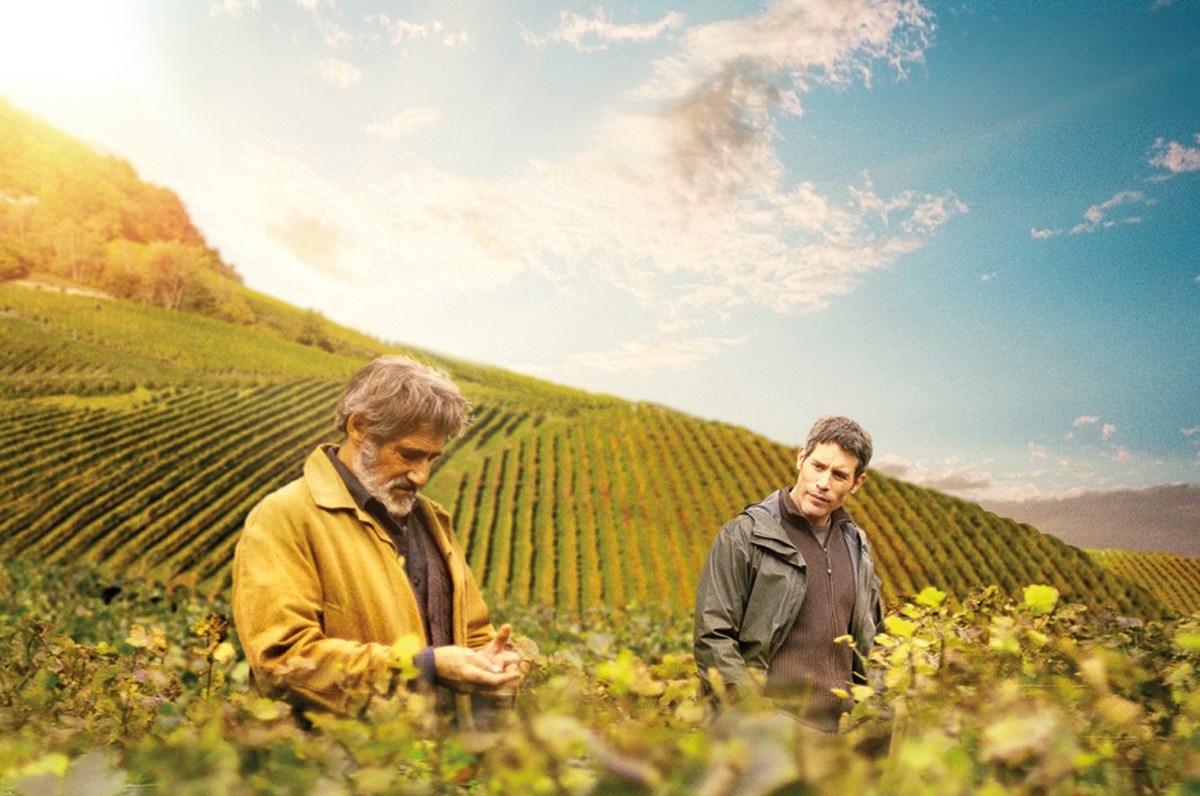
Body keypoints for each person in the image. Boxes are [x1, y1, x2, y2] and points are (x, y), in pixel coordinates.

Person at [232, 355, 522, 719]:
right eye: (409, 454)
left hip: (436, 752)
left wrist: (495, 661)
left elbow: (474, 634)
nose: (421, 476)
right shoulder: (283, 517)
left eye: (431, 458)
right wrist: (423, 667)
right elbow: (283, 660)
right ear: (359, 428)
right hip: (335, 753)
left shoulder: (433, 522)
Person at [693, 415, 883, 733]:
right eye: (818, 466)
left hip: (840, 736)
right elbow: (713, 637)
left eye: (839, 475)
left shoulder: (856, 547)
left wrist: (873, 711)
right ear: (801, 458)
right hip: (767, 734)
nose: (823, 483)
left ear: (857, 483)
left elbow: (875, 639)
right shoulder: (745, 535)